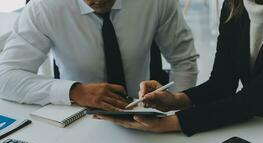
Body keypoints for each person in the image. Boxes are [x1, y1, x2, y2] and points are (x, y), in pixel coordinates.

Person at [98, 0, 263, 136]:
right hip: (260, 128)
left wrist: (172, 123)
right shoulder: (235, 6)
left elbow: (253, 99)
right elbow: (221, 83)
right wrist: (176, 100)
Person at [0, 0, 199, 111]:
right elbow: (5, 76)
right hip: (77, 117)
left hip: (146, 112)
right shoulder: (43, 8)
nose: (99, 0)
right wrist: (75, 92)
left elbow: (183, 60)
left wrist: (178, 108)